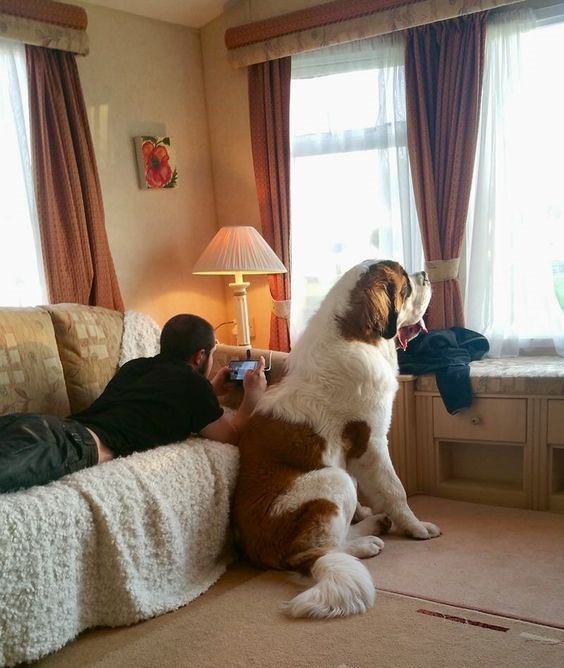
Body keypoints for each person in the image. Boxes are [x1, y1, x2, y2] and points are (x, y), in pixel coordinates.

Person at [0, 314, 266, 494]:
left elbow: (155, 400)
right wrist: (251, 398)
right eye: (212, 355)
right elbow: (230, 437)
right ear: (200, 356)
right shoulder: (191, 386)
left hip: (44, 425)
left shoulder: (135, 366)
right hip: (69, 443)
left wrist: (209, 390)